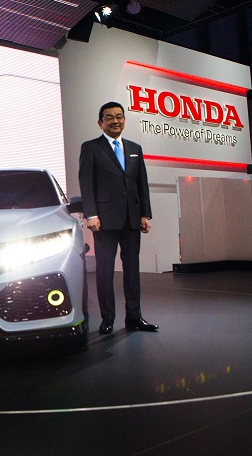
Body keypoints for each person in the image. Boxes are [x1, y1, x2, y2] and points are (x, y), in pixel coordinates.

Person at [78, 101, 158, 335]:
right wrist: (91, 214)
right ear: (100, 122)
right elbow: (86, 183)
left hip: (132, 220)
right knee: (105, 271)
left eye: (119, 116)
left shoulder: (135, 148)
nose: (115, 121)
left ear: (124, 120)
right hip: (104, 221)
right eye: (109, 117)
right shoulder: (91, 148)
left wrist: (145, 214)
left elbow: (141, 183)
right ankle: (108, 319)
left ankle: (134, 317)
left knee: (132, 271)